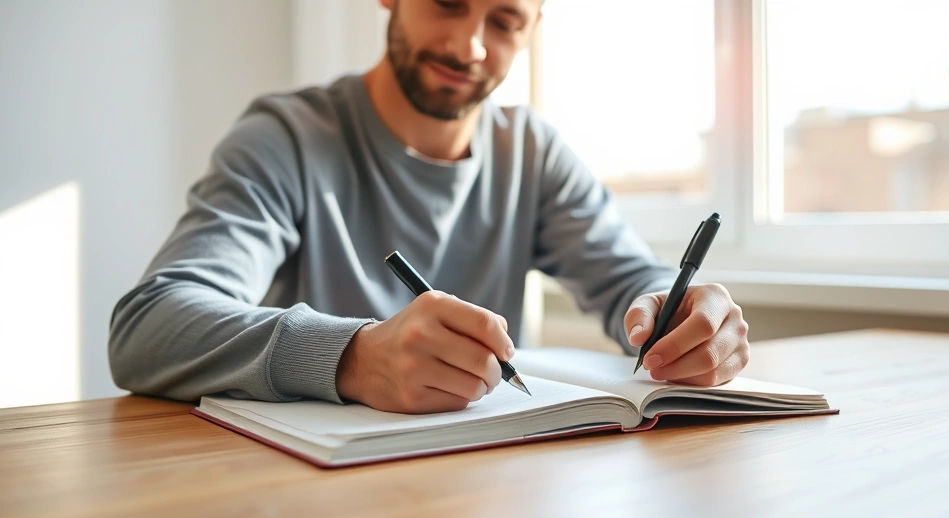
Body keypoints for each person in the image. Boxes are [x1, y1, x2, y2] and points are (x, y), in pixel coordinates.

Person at [108, 0, 750, 415]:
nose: (469, 46)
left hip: (482, 486)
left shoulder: (532, 152)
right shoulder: (287, 138)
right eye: (448, 3)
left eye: (503, 21)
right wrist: (352, 356)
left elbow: (631, 284)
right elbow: (148, 326)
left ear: (532, 30)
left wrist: (681, 312)